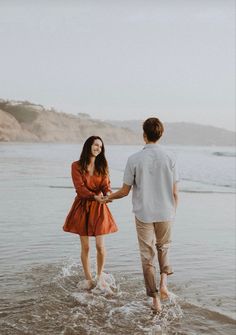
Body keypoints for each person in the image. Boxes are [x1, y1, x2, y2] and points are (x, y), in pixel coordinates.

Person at [97, 117, 179, 312]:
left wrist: (107, 198)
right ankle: (164, 284)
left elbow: (125, 191)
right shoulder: (171, 157)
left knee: (147, 256)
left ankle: (156, 300)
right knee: (164, 248)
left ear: (144, 135)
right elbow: (175, 192)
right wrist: (172, 211)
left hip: (143, 213)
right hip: (166, 212)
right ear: (161, 134)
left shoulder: (134, 159)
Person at [63, 136, 118, 290]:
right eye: (96, 145)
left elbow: (106, 185)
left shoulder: (103, 166)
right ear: (88, 146)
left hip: (99, 207)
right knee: (86, 247)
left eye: (101, 147)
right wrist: (95, 196)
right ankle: (88, 278)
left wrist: (108, 194)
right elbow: (79, 188)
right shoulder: (76, 165)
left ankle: (100, 276)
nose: (98, 148)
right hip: (83, 207)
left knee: (100, 246)